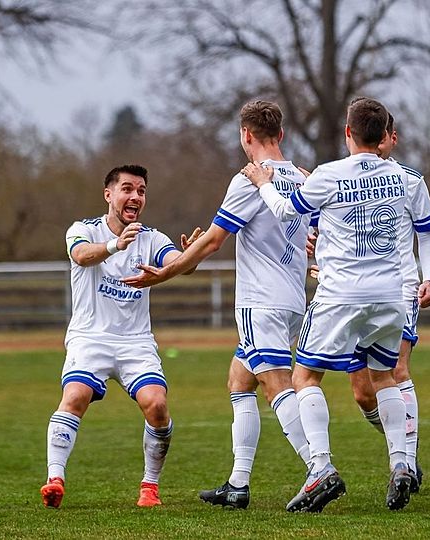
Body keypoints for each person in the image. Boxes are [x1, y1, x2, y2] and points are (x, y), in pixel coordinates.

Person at [122, 100, 312, 510]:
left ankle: (319, 469)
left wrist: (166, 272)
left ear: (246, 135)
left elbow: (213, 240)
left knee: (275, 384)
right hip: (292, 300)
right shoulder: (301, 177)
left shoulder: (249, 179)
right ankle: (238, 484)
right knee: (239, 381)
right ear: (280, 134)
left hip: (259, 300)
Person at [243, 97, 415, 512]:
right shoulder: (401, 176)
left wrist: (262, 181)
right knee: (385, 377)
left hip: (340, 294)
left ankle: (320, 467)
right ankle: (401, 463)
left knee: (305, 377)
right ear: (383, 136)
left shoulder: (330, 174)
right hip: (390, 294)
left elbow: (287, 211)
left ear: (347, 133)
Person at [39, 165, 202, 509]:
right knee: (75, 396)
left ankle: (150, 487)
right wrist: (114, 245)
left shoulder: (152, 238)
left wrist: (191, 256)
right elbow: (82, 256)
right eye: (127, 189)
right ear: (108, 194)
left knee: (157, 406)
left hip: (135, 342)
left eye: (141, 191)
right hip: (90, 337)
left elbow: (178, 263)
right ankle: (55, 479)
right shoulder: (82, 229)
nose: (136, 197)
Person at [338, 122, 430, 493]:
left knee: (396, 368)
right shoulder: (341, 179)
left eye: (385, 135)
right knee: (363, 393)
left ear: (392, 139)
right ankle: (402, 444)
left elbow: (426, 235)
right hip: (352, 294)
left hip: (400, 289)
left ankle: (405, 463)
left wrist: (428, 277)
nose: (380, 142)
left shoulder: (410, 180)